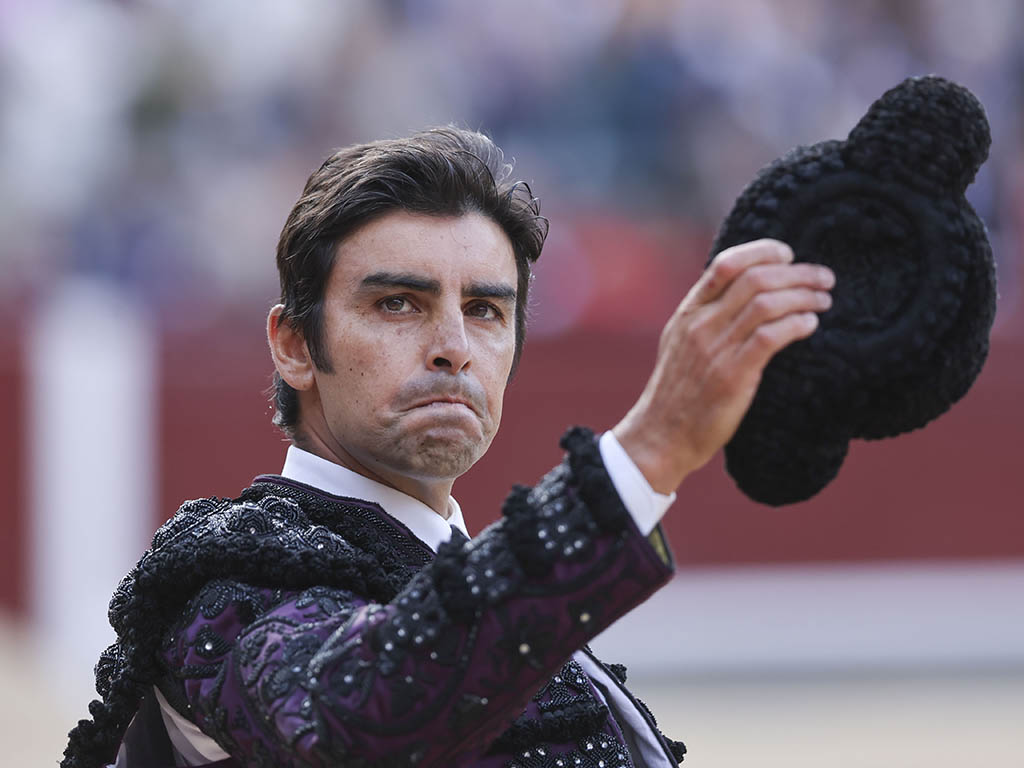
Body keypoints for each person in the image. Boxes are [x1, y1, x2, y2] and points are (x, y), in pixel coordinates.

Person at [62, 127, 834, 768]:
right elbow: (356, 721)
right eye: (398, 302)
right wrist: (650, 451)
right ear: (295, 345)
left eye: (487, 310)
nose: (453, 346)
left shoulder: (503, 606)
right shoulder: (228, 584)